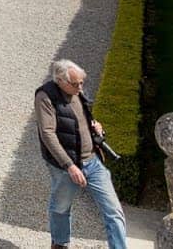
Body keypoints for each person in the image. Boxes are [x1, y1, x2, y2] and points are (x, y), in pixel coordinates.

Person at [36, 58, 127, 248]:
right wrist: (69, 166)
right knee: (61, 208)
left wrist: (97, 128)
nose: (80, 88)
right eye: (75, 84)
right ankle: (59, 244)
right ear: (60, 81)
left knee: (114, 211)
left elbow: (81, 120)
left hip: (92, 162)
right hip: (65, 167)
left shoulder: (78, 92)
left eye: (81, 83)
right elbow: (47, 134)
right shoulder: (45, 97)